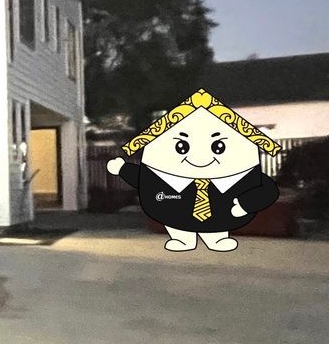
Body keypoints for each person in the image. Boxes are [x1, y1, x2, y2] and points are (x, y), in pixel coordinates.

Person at [105, 90, 279, 252]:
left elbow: (268, 189)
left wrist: (246, 204)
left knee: (216, 226)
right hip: (176, 218)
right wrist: (123, 169)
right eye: (182, 146)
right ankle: (183, 238)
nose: (200, 157)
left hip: (221, 218)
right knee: (177, 223)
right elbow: (141, 178)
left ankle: (216, 238)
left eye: (218, 146)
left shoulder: (242, 178)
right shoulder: (161, 177)